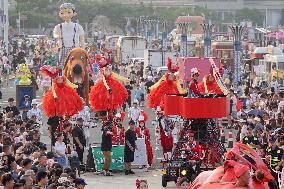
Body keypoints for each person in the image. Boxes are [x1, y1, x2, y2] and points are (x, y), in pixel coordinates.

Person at [53, 3, 85, 72]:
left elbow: (82, 39)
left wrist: (83, 49)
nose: (66, 15)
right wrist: (58, 36)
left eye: (68, 12)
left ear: (74, 13)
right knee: (61, 66)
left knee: (76, 66)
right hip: (62, 49)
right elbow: (54, 34)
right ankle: (61, 79)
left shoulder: (78, 26)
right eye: (62, 13)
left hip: (75, 49)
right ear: (60, 14)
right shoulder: (58, 26)